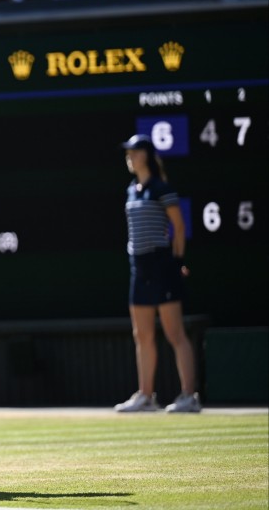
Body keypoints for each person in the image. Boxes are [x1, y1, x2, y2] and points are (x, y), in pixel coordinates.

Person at [114, 134, 201, 414]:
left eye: (134, 152)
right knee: (142, 334)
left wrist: (177, 262)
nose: (129, 156)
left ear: (145, 156)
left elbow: (178, 228)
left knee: (175, 333)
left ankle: (189, 395)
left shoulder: (162, 188)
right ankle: (146, 396)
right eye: (128, 152)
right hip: (138, 267)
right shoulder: (131, 189)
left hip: (162, 265)